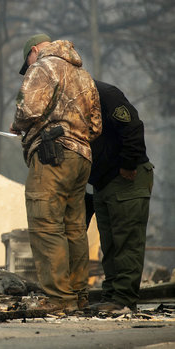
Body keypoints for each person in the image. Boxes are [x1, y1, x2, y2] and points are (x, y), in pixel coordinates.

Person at [10, 34, 102, 310]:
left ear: (34, 51)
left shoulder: (43, 66)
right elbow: (96, 126)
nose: (27, 70)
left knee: (46, 224)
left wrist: (18, 125)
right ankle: (78, 294)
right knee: (74, 227)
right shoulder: (84, 75)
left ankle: (59, 298)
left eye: (27, 63)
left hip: (52, 155)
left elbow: (26, 108)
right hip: (82, 157)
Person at [88, 80, 153, 312]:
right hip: (104, 180)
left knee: (126, 240)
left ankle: (123, 298)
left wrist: (128, 163)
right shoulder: (71, 99)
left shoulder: (104, 93)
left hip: (127, 176)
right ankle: (112, 295)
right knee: (110, 243)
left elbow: (132, 126)